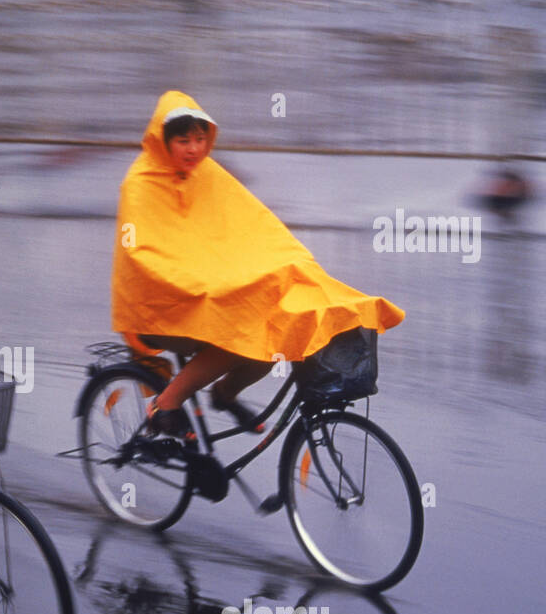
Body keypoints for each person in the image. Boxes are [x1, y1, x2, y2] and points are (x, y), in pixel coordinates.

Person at [112, 90, 404, 436]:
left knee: (272, 337)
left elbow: (255, 228)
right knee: (235, 337)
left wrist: (292, 261)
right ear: (163, 140)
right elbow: (143, 256)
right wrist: (206, 288)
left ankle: (224, 392)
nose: (193, 148)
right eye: (183, 140)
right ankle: (165, 404)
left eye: (200, 139)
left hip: (205, 297)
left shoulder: (208, 175)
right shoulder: (140, 184)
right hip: (160, 308)